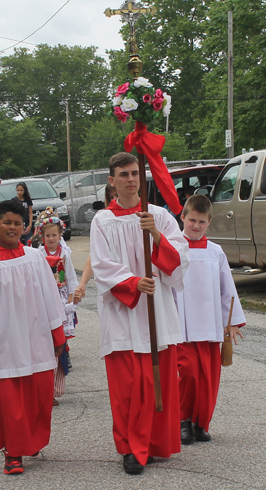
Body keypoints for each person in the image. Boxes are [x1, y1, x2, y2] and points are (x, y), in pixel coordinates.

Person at [90, 152, 189, 475]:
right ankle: (132, 449)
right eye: (123, 175)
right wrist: (133, 283)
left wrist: (156, 236)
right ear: (112, 180)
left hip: (157, 311)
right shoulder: (102, 220)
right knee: (128, 388)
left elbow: (179, 259)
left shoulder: (158, 215)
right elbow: (102, 267)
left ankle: (157, 444)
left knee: (159, 383)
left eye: (135, 173)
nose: (131, 180)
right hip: (123, 314)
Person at [0, 200, 66, 475]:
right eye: (6, 222)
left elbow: (50, 298)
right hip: (6, 344)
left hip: (37, 339)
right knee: (11, 403)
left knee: (39, 397)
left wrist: (58, 336)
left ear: (24, 227)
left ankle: (31, 441)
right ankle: (12, 453)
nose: (12, 227)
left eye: (17, 223)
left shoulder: (35, 257)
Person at [175, 195, 246, 444]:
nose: (196, 225)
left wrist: (232, 321)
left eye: (201, 222)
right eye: (192, 220)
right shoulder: (173, 249)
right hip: (182, 325)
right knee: (189, 373)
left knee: (208, 377)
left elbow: (227, 289)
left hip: (210, 325)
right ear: (182, 217)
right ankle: (183, 420)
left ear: (209, 222)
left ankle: (201, 423)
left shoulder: (216, 252)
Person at [36, 210, 78, 406]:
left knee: (60, 337)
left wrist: (71, 298)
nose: (51, 238)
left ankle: (62, 361)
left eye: (54, 235)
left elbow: (69, 278)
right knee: (46, 341)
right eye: (47, 235)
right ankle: (45, 387)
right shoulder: (38, 254)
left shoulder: (65, 255)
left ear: (60, 236)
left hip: (61, 298)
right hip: (43, 300)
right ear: (42, 236)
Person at [73, 183, 118, 304]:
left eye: (117, 196)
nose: (114, 200)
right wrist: (82, 283)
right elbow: (94, 255)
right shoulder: (101, 218)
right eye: (111, 197)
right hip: (111, 281)